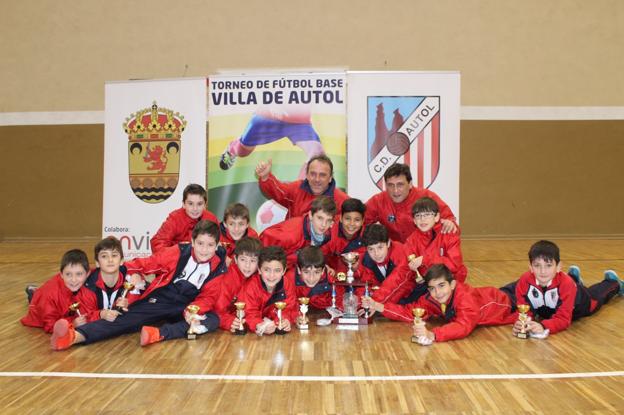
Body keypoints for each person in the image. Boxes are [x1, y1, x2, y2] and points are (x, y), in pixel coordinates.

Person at [51, 220, 227, 350]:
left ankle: (158, 334)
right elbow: (147, 263)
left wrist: (193, 310)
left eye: (210, 245)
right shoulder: (177, 253)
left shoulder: (219, 266)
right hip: (162, 299)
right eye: (200, 244)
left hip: (188, 304)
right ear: (192, 241)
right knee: (123, 318)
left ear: (217, 245)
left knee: (211, 320)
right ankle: (73, 336)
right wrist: (132, 271)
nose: (204, 250)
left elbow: (209, 297)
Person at [362, 264, 516, 344]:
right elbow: (411, 312)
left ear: (453, 284)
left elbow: (463, 326)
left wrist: (433, 334)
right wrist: (380, 306)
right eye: (432, 288)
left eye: (442, 286)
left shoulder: (465, 298)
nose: (438, 293)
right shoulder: (432, 298)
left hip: (511, 301)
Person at [507, 240, 623, 338]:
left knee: (599, 296)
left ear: (558, 267)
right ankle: (573, 277)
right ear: (531, 267)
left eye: (548, 265)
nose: (543, 271)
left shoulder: (566, 285)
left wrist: (543, 326)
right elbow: (524, 311)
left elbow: (563, 319)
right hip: (552, 307)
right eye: (537, 266)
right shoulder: (524, 281)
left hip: (580, 304)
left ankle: (614, 283)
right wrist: (522, 324)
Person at [219, 105, 325, 175]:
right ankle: (232, 149)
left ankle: (300, 196)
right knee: (243, 151)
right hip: (268, 118)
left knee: (318, 154)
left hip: (299, 122)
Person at [364, 163, 457, 242]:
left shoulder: (427, 197)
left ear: (410, 184)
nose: (395, 191)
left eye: (400, 185)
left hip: (425, 252)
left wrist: (449, 223)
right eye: (390, 185)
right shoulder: (378, 201)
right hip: (395, 253)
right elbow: (360, 222)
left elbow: (451, 223)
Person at [403, 197, 467, 299]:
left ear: (437, 217)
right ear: (414, 220)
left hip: (451, 283)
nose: (422, 219)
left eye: (427, 215)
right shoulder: (410, 241)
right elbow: (407, 271)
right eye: (418, 216)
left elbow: (455, 265)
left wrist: (425, 260)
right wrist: (414, 273)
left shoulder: (449, 234)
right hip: (426, 284)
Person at [21, 249, 98, 333]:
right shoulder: (48, 295)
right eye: (68, 274)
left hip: (62, 301)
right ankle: (33, 293)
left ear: (87, 274)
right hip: (40, 305)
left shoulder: (89, 278)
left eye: (79, 274)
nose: (74, 279)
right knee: (38, 298)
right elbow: (50, 326)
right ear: (61, 274)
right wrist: (72, 324)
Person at [255, 154, 349, 220]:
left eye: (322, 175)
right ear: (306, 175)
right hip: (294, 246)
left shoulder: (342, 201)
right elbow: (278, 191)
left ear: (330, 178)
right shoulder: (297, 189)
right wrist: (265, 177)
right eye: (313, 174)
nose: (317, 179)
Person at [236, 246, 297, 336]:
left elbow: (289, 308)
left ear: (284, 271)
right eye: (267, 270)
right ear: (259, 270)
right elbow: (249, 313)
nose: (271, 276)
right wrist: (260, 325)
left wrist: (283, 321)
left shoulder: (287, 284)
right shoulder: (251, 286)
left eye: (277, 270)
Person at [260, 196, 335, 265]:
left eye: (328, 220)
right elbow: (262, 247)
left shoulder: (324, 236)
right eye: (320, 218)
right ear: (310, 215)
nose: (324, 225)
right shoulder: (291, 235)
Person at [150, 183, 219, 253]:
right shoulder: (175, 218)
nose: (195, 208)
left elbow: (218, 245)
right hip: (177, 260)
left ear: (205, 205)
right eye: (190, 204)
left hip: (205, 259)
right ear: (183, 204)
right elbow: (158, 243)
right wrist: (177, 253)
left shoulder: (211, 219)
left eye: (199, 204)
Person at [214, 237, 263, 333]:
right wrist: (229, 321)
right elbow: (217, 311)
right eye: (243, 260)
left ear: (259, 262)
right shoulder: (227, 278)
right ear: (235, 259)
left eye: (253, 261)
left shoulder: (259, 278)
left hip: (246, 324)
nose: (247, 265)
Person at [357, 224, 414, 305]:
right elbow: (367, 284)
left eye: (380, 247)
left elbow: (397, 284)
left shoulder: (400, 252)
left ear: (388, 243)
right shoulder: (366, 260)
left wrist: (377, 304)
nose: (376, 253)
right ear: (366, 249)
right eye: (371, 249)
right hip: (386, 298)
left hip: (411, 296)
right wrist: (360, 302)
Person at [83, 236, 128, 322]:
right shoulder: (88, 286)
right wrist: (100, 314)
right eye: (104, 256)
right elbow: (85, 317)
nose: (110, 260)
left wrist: (128, 305)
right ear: (97, 263)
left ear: (122, 260)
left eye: (114, 255)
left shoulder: (130, 284)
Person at [321, 198, 367, 276]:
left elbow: (369, 268)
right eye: (347, 219)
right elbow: (317, 256)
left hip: (355, 280)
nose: (351, 224)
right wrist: (325, 268)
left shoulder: (367, 237)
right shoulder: (329, 231)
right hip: (328, 277)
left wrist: (357, 269)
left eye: (357, 220)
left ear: (363, 221)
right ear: (341, 218)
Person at [288, 246, 335, 312]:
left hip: (323, 315)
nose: (311, 278)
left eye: (316, 272)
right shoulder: (289, 279)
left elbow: (339, 301)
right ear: (299, 270)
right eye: (306, 272)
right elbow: (288, 304)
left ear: (323, 271)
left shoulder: (330, 278)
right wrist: (297, 316)